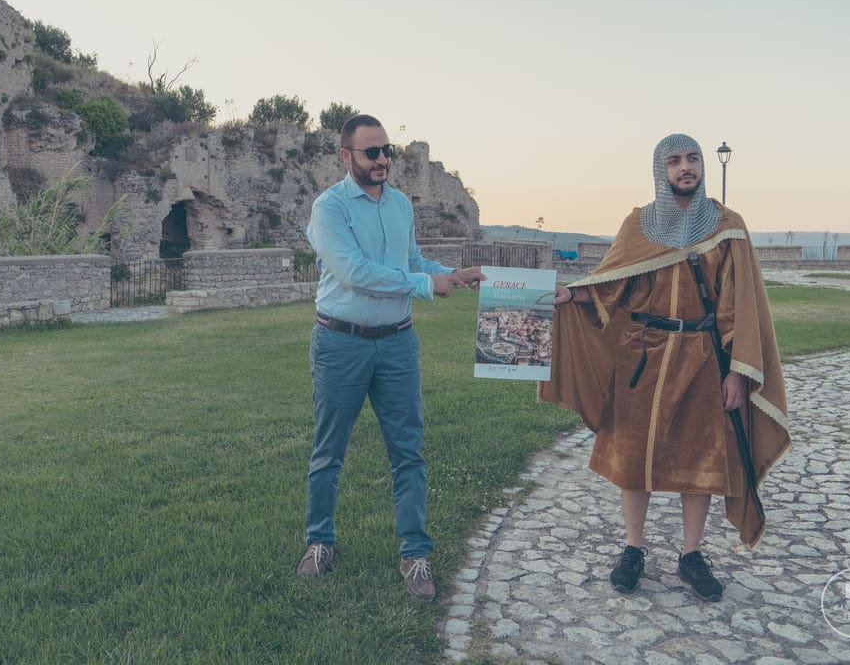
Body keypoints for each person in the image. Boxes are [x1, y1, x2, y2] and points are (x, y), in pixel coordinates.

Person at [539, 133, 789, 602]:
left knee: (701, 458)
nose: (685, 167)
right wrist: (572, 293)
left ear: (702, 166)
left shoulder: (727, 226)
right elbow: (613, 283)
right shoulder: (639, 225)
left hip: (703, 357)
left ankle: (691, 555)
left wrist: (737, 371)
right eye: (674, 161)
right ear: (661, 170)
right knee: (634, 456)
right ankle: (633, 548)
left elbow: (739, 305)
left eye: (692, 159)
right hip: (642, 354)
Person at [297, 113, 484, 601]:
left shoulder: (401, 204)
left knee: (408, 451)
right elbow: (355, 273)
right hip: (340, 343)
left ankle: (415, 554)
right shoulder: (329, 208)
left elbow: (411, 262)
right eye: (372, 152)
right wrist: (425, 284)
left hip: (398, 343)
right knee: (328, 451)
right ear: (346, 155)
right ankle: (320, 542)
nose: (383, 160)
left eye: (388, 151)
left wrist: (453, 274)